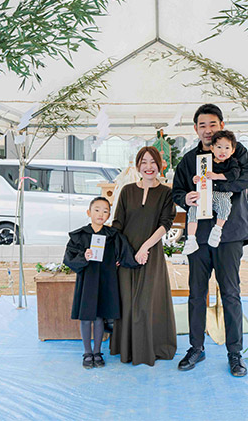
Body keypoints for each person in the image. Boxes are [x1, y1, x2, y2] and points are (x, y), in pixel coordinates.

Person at [172, 104, 248, 377]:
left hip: (229, 234)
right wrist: (186, 197)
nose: (208, 130)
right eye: (202, 126)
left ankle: (235, 353)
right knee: (196, 293)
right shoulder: (188, 160)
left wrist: (211, 184)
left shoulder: (236, 151)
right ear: (195, 129)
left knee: (230, 292)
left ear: (222, 124)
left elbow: (243, 181)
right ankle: (196, 347)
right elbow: (177, 192)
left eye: (213, 124)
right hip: (199, 237)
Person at [110, 147, 177, 366]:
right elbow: (118, 223)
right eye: (144, 162)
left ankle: (151, 348)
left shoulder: (167, 193)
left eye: (153, 162)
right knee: (127, 301)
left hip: (151, 253)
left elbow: (165, 224)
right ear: (137, 166)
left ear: (160, 165)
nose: (149, 167)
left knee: (147, 302)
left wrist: (145, 248)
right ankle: (127, 349)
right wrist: (119, 252)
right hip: (126, 254)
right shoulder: (127, 190)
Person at [63, 197, 143, 369]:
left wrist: (136, 259)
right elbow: (68, 258)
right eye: (97, 209)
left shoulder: (113, 236)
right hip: (87, 281)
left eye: (105, 210)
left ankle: (97, 352)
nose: (101, 214)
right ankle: (87, 352)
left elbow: (125, 254)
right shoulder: (80, 236)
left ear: (109, 215)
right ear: (89, 212)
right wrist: (83, 256)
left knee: (99, 317)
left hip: (105, 281)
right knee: (86, 317)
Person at [181, 129, 240, 255]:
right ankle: (191, 239)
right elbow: (201, 177)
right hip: (206, 193)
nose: (222, 151)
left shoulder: (232, 163)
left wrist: (217, 176)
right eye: (219, 147)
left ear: (232, 150)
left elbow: (234, 175)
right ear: (212, 148)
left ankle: (217, 230)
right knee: (193, 207)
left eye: (227, 147)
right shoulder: (206, 161)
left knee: (225, 205)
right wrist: (195, 179)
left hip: (222, 195)